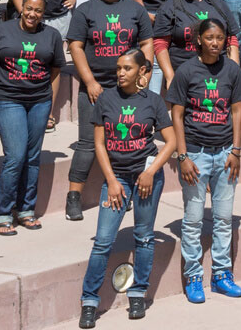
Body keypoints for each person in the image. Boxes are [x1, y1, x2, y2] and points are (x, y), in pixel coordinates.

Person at [78, 49, 174, 326]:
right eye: (118, 68)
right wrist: (110, 181)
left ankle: (138, 293)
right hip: (116, 177)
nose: (120, 73)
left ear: (142, 72)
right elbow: (99, 143)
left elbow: (171, 142)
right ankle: (89, 300)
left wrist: (150, 172)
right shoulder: (106, 99)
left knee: (144, 237)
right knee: (103, 241)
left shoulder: (154, 102)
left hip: (146, 177)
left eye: (127, 68)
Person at [64, 0, 154, 221]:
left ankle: (121, 191)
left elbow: (146, 42)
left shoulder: (135, 9)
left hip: (126, 89)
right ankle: (73, 197)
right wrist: (90, 81)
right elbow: (76, 46)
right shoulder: (85, 10)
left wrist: (144, 72)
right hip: (95, 87)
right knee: (88, 144)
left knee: (123, 142)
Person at [169, 17, 241, 303]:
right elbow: (177, 115)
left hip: (225, 153)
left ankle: (221, 275)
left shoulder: (232, 70)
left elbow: (238, 111)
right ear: (199, 39)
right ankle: (193, 276)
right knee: (192, 220)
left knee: (224, 218)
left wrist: (236, 151)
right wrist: (183, 156)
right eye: (210, 38)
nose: (216, 43)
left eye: (220, 38)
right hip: (196, 154)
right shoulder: (186, 71)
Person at [0, 0, 66, 235]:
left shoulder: (51, 35)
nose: (33, 14)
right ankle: (2, 213)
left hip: (39, 102)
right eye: (29, 8)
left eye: (38, 11)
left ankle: (25, 210)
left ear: (44, 14)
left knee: (33, 157)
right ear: (22, 7)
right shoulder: (2, 30)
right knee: (16, 156)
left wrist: (51, 105)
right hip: (8, 100)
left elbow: (55, 71)